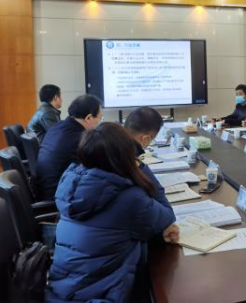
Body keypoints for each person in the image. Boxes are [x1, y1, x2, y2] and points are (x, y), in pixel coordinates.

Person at [46, 122, 178, 302]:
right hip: (101, 295)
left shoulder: (70, 184)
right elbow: (167, 216)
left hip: (61, 291)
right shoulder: (130, 198)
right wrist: (140, 167)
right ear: (126, 155)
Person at [36, 94, 103, 200]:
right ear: (89, 118)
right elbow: (97, 167)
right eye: (100, 118)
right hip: (57, 196)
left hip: (44, 188)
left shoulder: (57, 127)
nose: (100, 122)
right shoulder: (79, 138)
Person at [124, 107, 172, 205]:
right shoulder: (132, 162)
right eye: (151, 140)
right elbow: (164, 206)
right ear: (145, 139)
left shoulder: (110, 146)